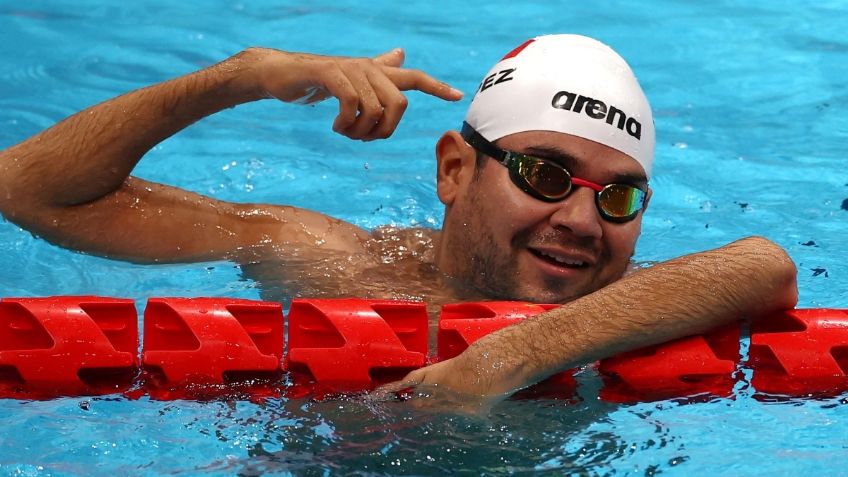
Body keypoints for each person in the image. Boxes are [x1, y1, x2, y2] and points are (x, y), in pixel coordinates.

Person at [0, 35, 797, 401]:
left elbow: (764, 266)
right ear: (454, 169)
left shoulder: (617, 306)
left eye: (619, 195)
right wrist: (240, 78)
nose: (585, 221)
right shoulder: (337, 265)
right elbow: (27, 189)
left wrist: (505, 357)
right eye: (545, 175)